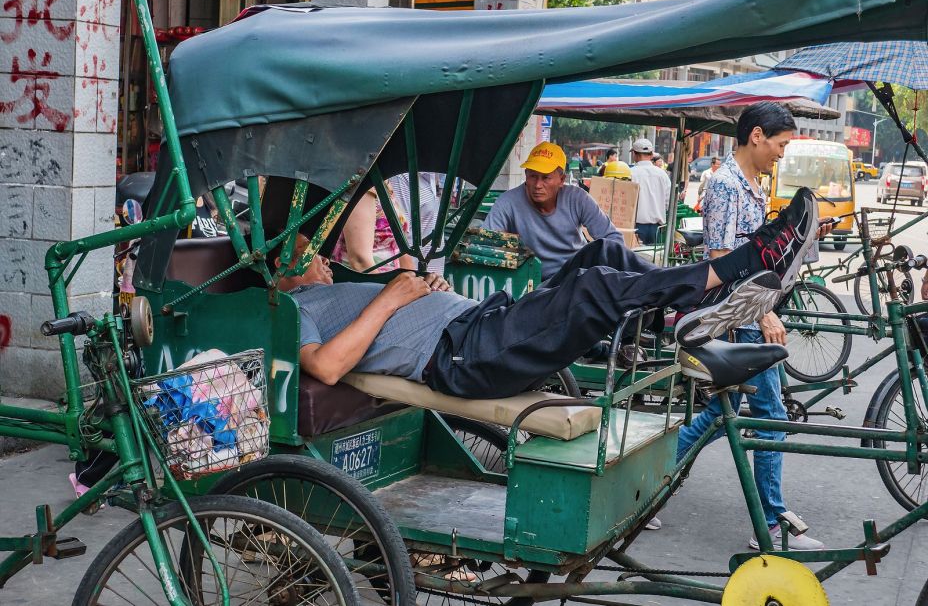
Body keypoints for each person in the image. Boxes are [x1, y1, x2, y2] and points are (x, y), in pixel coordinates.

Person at [287, 185, 825, 401]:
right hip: (462, 355)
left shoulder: (344, 286)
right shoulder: (291, 308)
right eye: (308, 257)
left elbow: (390, 310)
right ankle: (739, 265)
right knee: (590, 289)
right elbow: (328, 366)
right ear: (285, 273)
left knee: (602, 257)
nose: (322, 263)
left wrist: (424, 291)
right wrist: (392, 299)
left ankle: (683, 314)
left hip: (478, 323)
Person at [675, 101, 825, 552]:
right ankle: (773, 522)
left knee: (722, 417)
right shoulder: (724, 184)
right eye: (780, 144)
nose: (782, 153)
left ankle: (641, 483)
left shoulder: (752, 184)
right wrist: (763, 312)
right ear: (756, 135)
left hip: (749, 320)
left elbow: (757, 254)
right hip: (739, 321)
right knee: (771, 418)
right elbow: (722, 263)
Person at [482, 141, 627, 281]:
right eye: (533, 176)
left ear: (562, 179)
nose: (538, 185)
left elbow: (613, 239)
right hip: (533, 281)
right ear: (526, 175)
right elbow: (485, 244)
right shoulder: (508, 202)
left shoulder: (577, 198)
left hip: (576, 276)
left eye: (546, 178)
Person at [331, 187, 416, 272]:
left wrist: (413, 280)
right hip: (366, 281)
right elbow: (360, 261)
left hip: (393, 278)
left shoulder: (384, 184)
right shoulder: (363, 189)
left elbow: (400, 248)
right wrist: (391, 285)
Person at [389, 172, 445, 274]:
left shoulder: (431, 175)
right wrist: (412, 279)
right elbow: (400, 238)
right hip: (413, 275)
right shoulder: (401, 177)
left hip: (431, 276)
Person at [630, 138, 672, 245]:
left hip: (635, 228)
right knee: (655, 260)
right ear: (651, 154)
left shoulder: (631, 173)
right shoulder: (663, 175)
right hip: (657, 228)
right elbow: (668, 201)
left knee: (637, 259)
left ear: (635, 154)